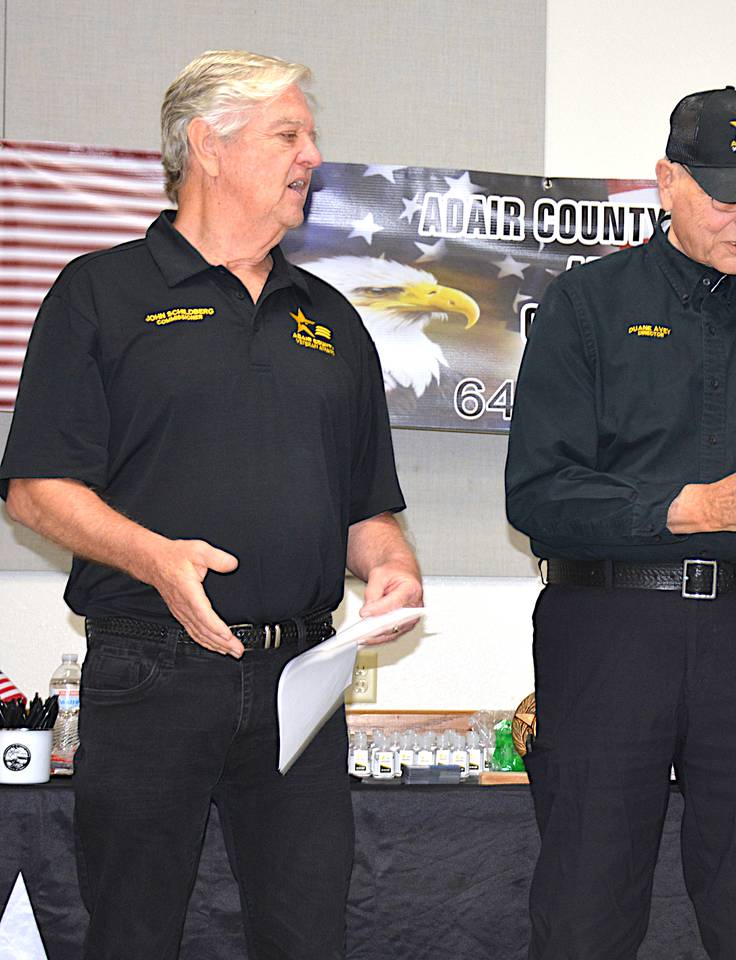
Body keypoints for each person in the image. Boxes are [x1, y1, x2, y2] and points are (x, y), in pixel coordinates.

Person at [0, 51, 421, 960]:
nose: (313, 155)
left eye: (309, 135)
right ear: (208, 145)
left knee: (309, 935)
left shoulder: (331, 318)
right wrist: (156, 557)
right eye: (289, 134)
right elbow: (35, 489)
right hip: (151, 667)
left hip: (301, 677)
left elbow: (367, 509)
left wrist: (392, 567)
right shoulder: (100, 293)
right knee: (136, 934)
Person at [505, 86, 736, 960]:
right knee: (586, 903)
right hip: (608, 630)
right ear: (665, 180)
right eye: (726, 196)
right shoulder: (583, 306)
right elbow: (537, 498)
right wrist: (693, 508)